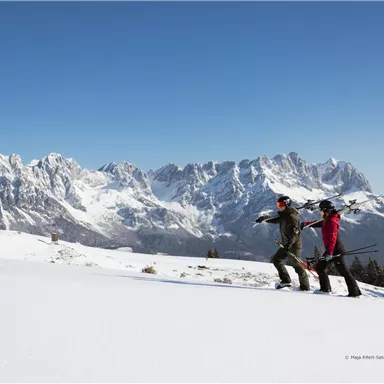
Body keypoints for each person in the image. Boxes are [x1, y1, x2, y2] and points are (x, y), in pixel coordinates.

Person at [301, 200, 361, 297]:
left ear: (326, 210)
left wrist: (329, 253)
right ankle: (325, 289)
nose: (320, 212)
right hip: (331, 250)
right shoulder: (327, 219)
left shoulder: (332, 222)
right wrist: (306, 224)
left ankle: (354, 293)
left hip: (335, 250)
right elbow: (319, 223)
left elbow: (333, 239)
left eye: (321, 210)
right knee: (320, 267)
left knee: (344, 272)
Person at [256, 196, 310, 290]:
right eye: (278, 204)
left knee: (296, 265)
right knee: (276, 259)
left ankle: (305, 287)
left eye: (281, 205)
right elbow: (276, 220)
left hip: (293, 245)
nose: (279, 207)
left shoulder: (292, 218)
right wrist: (264, 218)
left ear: (286, 204)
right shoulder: (284, 215)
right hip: (287, 245)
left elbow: (294, 234)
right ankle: (286, 281)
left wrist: (288, 245)